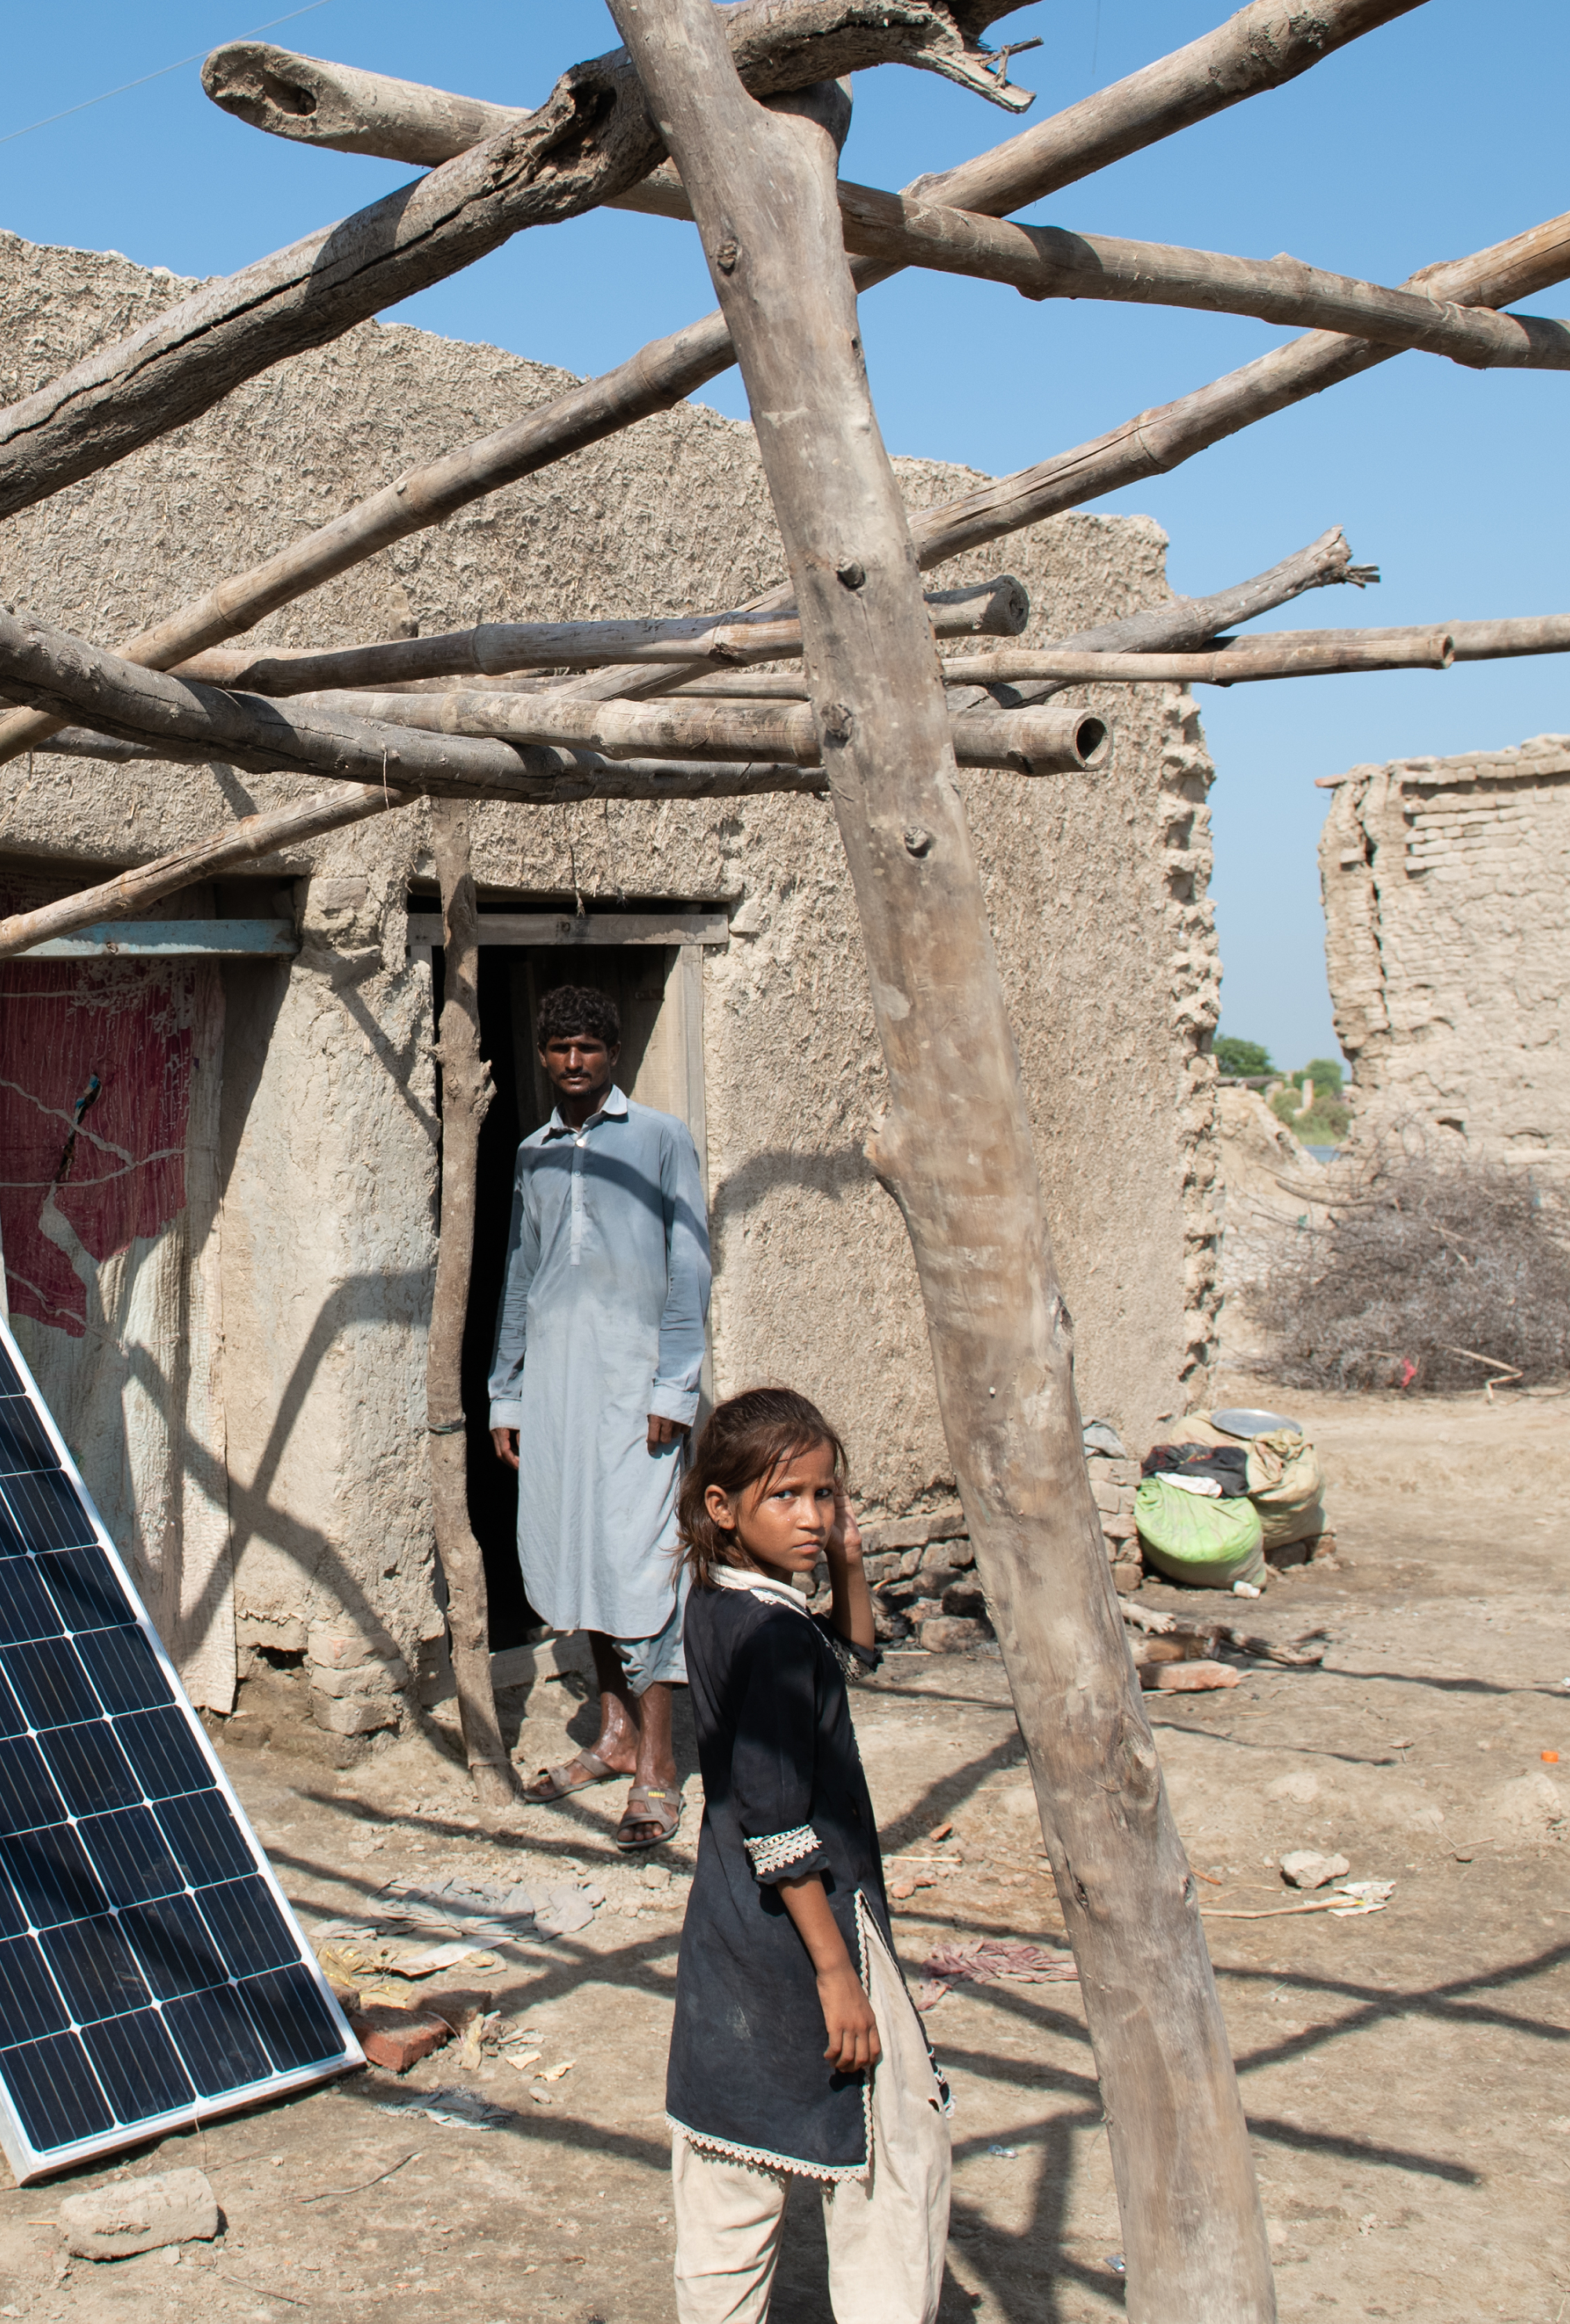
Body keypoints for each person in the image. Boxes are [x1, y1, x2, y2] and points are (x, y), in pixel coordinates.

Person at [665, 1387, 954, 2324]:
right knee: (895, 2151)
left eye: (826, 1496)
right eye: (787, 1497)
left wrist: (850, 1566)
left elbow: (855, 1655)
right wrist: (837, 1974)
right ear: (722, 1507)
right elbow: (780, 1829)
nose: (815, 1517)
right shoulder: (776, 1637)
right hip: (808, 1928)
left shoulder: (717, 1603)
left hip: (725, 1935)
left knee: (728, 2160)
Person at [487, 981, 712, 1849]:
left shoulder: (659, 1141)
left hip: (636, 1390)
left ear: (613, 1056)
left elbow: (689, 1265)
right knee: (575, 1554)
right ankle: (613, 1740)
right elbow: (521, 1275)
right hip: (556, 1390)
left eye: (589, 1048)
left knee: (642, 1568)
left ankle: (659, 1767)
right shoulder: (532, 1152)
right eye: (558, 1049)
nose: (573, 1064)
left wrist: (673, 1387)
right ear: (542, 1057)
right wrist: (507, 1390)